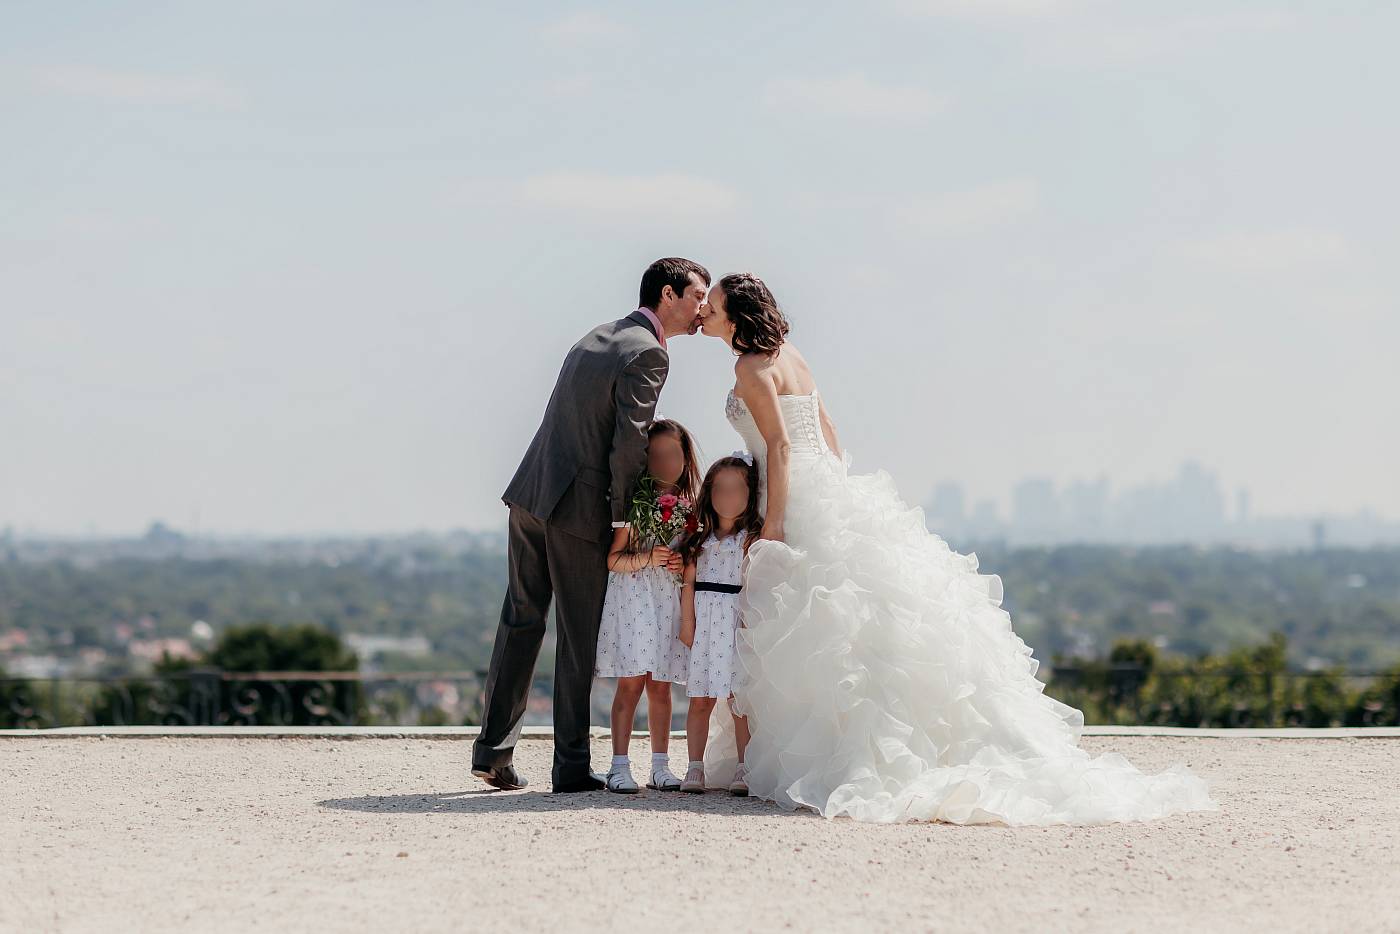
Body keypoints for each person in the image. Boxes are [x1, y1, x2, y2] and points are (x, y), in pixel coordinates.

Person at [695, 272, 1219, 825]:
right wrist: (839, 488)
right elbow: (826, 424)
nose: (705, 310)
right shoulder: (790, 353)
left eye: (714, 304)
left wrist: (775, 523)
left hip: (793, 496)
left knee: (808, 620)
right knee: (832, 619)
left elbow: (779, 444)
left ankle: (828, 752)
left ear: (736, 316)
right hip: (822, 485)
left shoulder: (750, 367)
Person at [471, 257, 710, 793]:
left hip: (531, 493)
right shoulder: (649, 352)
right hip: (578, 511)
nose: (702, 308)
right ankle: (572, 767)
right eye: (698, 296)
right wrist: (628, 517)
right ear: (668, 294)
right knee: (578, 639)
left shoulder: (595, 337)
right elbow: (630, 441)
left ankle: (492, 753)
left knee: (521, 621)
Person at [595, 419, 701, 794]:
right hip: (635, 600)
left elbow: (693, 559)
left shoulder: (693, 510)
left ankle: (660, 765)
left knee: (661, 686)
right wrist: (646, 557)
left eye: (672, 454)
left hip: (668, 600)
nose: (664, 463)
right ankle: (618, 766)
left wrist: (680, 562)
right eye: (655, 455)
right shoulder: (633, 503)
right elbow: (613, 560)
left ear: (686, 458)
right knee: (631, 683)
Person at [675, 454, 762, 796]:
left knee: (737, 701)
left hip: (735, 626)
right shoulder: (698, 540)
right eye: (721, 489)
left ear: (749, 494)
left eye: (736, 489)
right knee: (700, 700)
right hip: (706, 629)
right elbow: (688, 585)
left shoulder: (750, 539)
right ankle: (694, 766)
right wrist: (688, 624)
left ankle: (744, 767)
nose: (728, 497)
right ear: (709, 493)